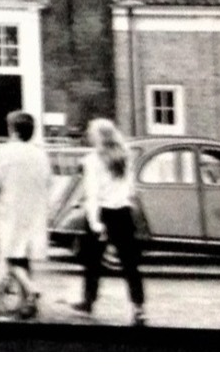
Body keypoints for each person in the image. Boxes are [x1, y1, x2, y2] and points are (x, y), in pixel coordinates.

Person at [0, 110, 50, 320]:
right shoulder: (40, 154)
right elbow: (47, 182)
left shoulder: (5, 154)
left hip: (10, 213)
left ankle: (13, 298)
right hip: (34, 213)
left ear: (12, 130)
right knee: (24, 260)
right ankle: (27, 304)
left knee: (7, 259)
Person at [71, 118, 146, 327]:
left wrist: (95, 223)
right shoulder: (125, 157)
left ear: (98, 136)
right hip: (123, 213)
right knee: (130, 264)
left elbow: (92, 194)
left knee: (92, 262)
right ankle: (138, 307)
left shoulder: (92, 161)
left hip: (102, 212)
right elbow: (131, 190)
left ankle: (88, 301)